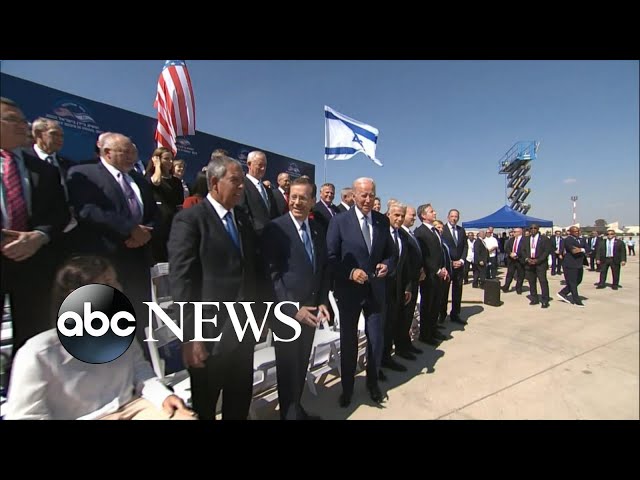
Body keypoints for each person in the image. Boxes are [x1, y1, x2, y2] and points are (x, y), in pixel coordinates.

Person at [4, 255, 195, 420]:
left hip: (132, 407)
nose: (118, 289)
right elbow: (25, 415)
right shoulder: (38, 352)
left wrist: (162, 396)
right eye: (107, 284)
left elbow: (141, 372)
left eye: (115, 281)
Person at [168, 154, 258, 420]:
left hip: (243, 332)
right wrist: (190, 336)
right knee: (205, 408)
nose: (241, 186)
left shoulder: (242, 220)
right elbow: (182, 282)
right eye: (235, 181)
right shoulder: (190, 220)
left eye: (242, 181)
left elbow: (250, 271)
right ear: (215, 182)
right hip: (209, 338)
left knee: (238, 405)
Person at [66, 133, 158, 340]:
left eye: (133, 152)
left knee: (139, 315)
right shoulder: (84, 173)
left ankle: (142, 353)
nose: (132, 157)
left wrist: (146, 232)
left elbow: (153, 213)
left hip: (138, 259)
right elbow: (88, 210)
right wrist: (130, 229)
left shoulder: (139, 180)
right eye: (125, 152)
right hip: (105, 259)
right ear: (107, 152)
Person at [1, 97, 70, 353]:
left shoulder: (45, 170)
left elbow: (59, 213)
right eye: (13, 120)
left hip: (33, 264)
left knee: (33, 342)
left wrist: (39, 235)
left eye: (24, 121)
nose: (23, 126)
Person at [262, 177, 330, 420]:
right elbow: (272, 276)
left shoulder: (318, 230)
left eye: (303, 198)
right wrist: (293, 309)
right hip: (287, 313)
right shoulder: (275, 229)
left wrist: (322, 301)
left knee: (301, 364)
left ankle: (295, 409)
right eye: (293, 197)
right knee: (288, 368)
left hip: (311, 311)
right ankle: (289, 415)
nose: (297, 202)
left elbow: (322, 269)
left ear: (312, 201)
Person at [326, 177, 395, 406]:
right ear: (354, 195)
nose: (367, 199)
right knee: (349, 342)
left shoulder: (382, 221)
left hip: (375, 291)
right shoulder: (339, 221)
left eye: (371, 195)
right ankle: (347, 388)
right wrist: (350, 272)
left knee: (376, 339)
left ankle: (373, 383)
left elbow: (391, 253)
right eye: (363, 195)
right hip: (349, 292)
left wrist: (387, 265)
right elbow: (330, 257)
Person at [414, 204, 448, 345]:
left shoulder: (435, 231)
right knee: (427, 305)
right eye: (431, 211)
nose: (435, 213)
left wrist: (443, 267)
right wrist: (436, 270)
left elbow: (439, 252)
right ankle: (425, 334)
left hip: (439, 274)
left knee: (435, 304)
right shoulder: (420, 232)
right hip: (429, 275)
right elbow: (424, 256)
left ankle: (433, 330)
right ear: (423, 215)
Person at [145, 147, 184, 263]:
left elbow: (179, 205)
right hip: (156, 223)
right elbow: (156, 182)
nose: (170, 162)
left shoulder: (176, 182)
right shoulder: (149, 176)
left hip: (171, 223)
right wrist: (157, 166)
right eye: (166, 159)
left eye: (171, 159)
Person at [440, 209, 468, 324]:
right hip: (447, 266)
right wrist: (450, 262)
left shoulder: (461, 231)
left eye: (456, 216)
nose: (454, 218)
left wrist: (461, 260)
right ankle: (442, 314)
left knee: (457, 291)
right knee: (444, 291)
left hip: (459, 267)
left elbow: (465, 246)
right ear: (448, 217)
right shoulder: (443, 230)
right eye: (452, 216)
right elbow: (441, 248)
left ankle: (455, 314)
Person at [520, 223, 551, 308]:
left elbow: (547, 251)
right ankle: (534, 298)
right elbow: (522, 250)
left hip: (540, 263)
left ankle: (545, 300)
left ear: (538, 229)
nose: (533, 230)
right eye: (531, 228)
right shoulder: (526, 239)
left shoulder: (544, 239)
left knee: (543, 281)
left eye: (535, 228)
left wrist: (538, 260)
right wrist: (527, 259)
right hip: (529, 263)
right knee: (531, 281)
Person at [557, 226, 586, 307]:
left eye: (578, 231)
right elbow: (573, 251)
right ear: (571, 232)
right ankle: (576, 300)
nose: (577, 232)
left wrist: (581, 249)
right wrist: (582, 249)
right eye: (575, 231)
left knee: (578, 280)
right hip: (570, 263)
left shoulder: (582, 239)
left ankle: (563, 292)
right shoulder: (568, 240)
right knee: (572, 282)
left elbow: (588, 249)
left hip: (579, 263)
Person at [502, 227, 525, 295]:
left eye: (515, 232)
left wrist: (517, 255)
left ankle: (518, 288)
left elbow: (524, 249)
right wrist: (510, 253)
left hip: (520, 260)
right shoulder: (511, 240)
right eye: (513, 232)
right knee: (509, 274)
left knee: (520, 275)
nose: (513, 233)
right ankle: (506, 287)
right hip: (511, 260)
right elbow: (507, 248)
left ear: (519, 232)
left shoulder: (524, 240)